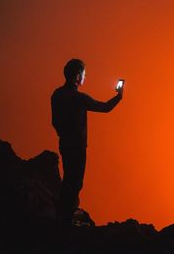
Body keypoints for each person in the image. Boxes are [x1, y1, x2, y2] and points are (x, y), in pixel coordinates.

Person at [51, 58, 123, 224]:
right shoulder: (79, 98)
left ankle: (63, 213)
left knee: (69, 177)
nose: (85, 78)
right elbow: (105, 107)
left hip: (65, 143)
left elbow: (54, 122)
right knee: (75, 181)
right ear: (77, 76)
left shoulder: (57, 95)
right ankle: (67, 217)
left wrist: (63, 134)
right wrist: (118, 97)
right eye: (83, 75)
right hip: (77, 146)